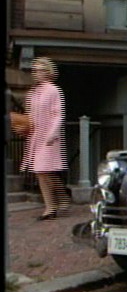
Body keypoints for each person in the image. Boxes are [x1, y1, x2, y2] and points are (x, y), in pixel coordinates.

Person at [20, 57, 71, 220]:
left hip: (49, 136)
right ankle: (52, 205)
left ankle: (58, 201)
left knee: (44, 170)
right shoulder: (34, 92)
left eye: (40, 70)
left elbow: (58, 113)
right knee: (40, 171)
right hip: (37, 136)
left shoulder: (54, 90)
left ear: (48, 72)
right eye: (34, 70)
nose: (36, 73)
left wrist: (53, 132)